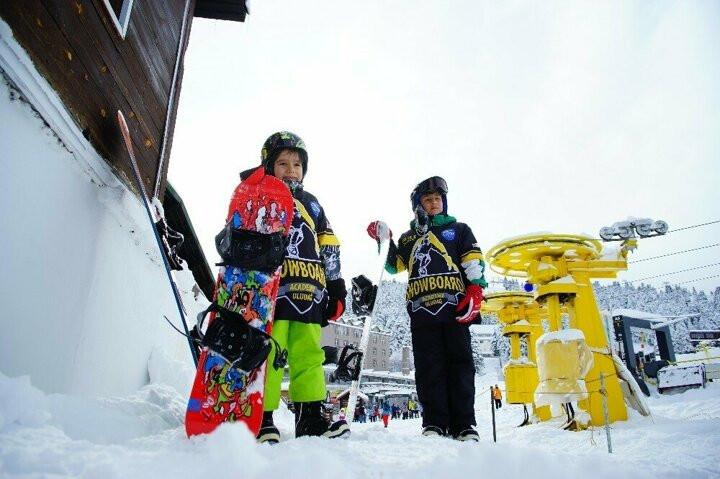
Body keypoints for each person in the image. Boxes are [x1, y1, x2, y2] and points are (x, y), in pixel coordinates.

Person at [368, 176, 487, 442]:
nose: (434, 203)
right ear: (418, 205)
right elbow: (393, 266)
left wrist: (475, 290)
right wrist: (383, 239)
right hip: (422, 313)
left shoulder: (459, 230)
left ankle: (465, 424)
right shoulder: (410, 237)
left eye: (438, 199)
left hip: (455, 309)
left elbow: (473, 262)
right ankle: (434, 422)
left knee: (460, 366)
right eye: (428, 199)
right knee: (428, 368)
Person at [253, 132, 350, 443]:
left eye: (297, 164)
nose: (291, 169)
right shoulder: (259, 197)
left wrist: (335, 288)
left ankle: (310, 420)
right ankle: (262, 419)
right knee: (270, 354)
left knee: (309, 356)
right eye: (283, 163)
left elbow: (329, 245)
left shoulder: (312, 204)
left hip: (310, 294)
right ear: (268, 167)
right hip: (273, 295)